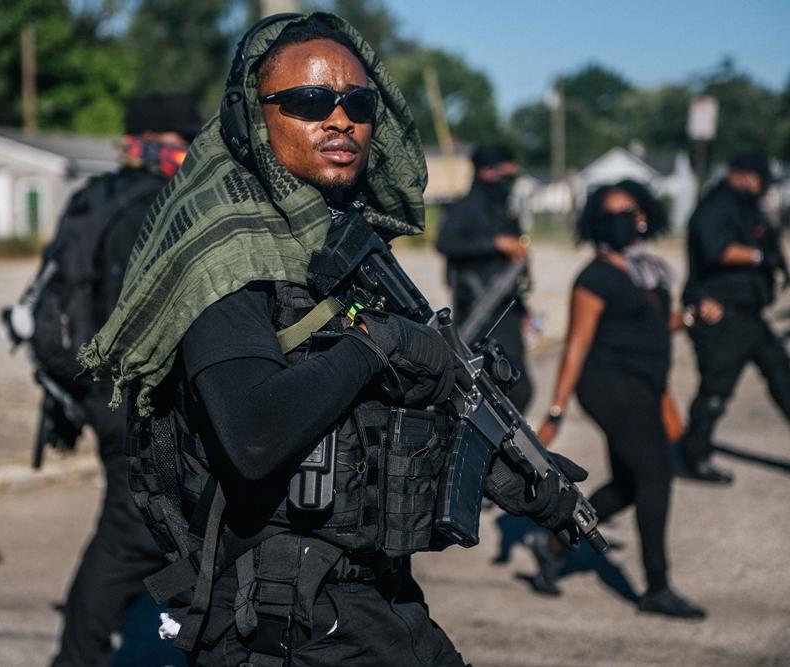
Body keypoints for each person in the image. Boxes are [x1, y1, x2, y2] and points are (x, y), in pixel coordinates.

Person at [79, 13, 588, 665]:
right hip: (281, 616)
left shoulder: (337, 250)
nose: (341, 120)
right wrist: (378, 344)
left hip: (367, 597)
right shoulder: (229, 258)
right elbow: (255, 435)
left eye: (358, 104)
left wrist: (511, 473)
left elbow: (372, 423)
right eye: (310, 101)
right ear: (251, 117)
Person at [50, 93, 202, 667]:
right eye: (187, 141)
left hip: (101, 389)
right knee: (132, 535)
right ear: (164, 141)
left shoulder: (98, 197)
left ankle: (191, 627)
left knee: (166, 525)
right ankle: (76, 658)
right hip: (136, 397)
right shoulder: (156, 205)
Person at [533, 180, 706, 619]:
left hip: (645, 386)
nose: (621, 220)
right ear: (596, 223)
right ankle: (657, 588)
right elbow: (576, 345)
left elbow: (654, 326)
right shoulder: (594, 277)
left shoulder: (650, 272)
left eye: (627, 211)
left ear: (644, 215)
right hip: (608, 386)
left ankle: (555, 544)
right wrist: (557, 410)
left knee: (630, 485)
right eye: (610, 214)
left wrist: (690, 317)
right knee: (656, 474)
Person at [679, 151, 789, 483]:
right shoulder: (716, 206)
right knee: (715, 390)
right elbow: (718, 249)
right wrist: (760, 257)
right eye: (759, 180)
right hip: (721, 314)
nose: (762, 187)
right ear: (738, 174)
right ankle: (694, 457)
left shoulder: (747, 206)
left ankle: (694, 453)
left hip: (749, 315)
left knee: (783, 378)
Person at [435, 144, 533, 411]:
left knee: (518, 386)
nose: (509, 183)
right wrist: (495, 243)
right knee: (492, 386)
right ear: (487, 172)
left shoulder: (504, 209)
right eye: (506, 175)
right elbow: (446, 243)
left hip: (507, 309)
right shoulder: (466, 207)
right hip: (477, 310)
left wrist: (525, 309)